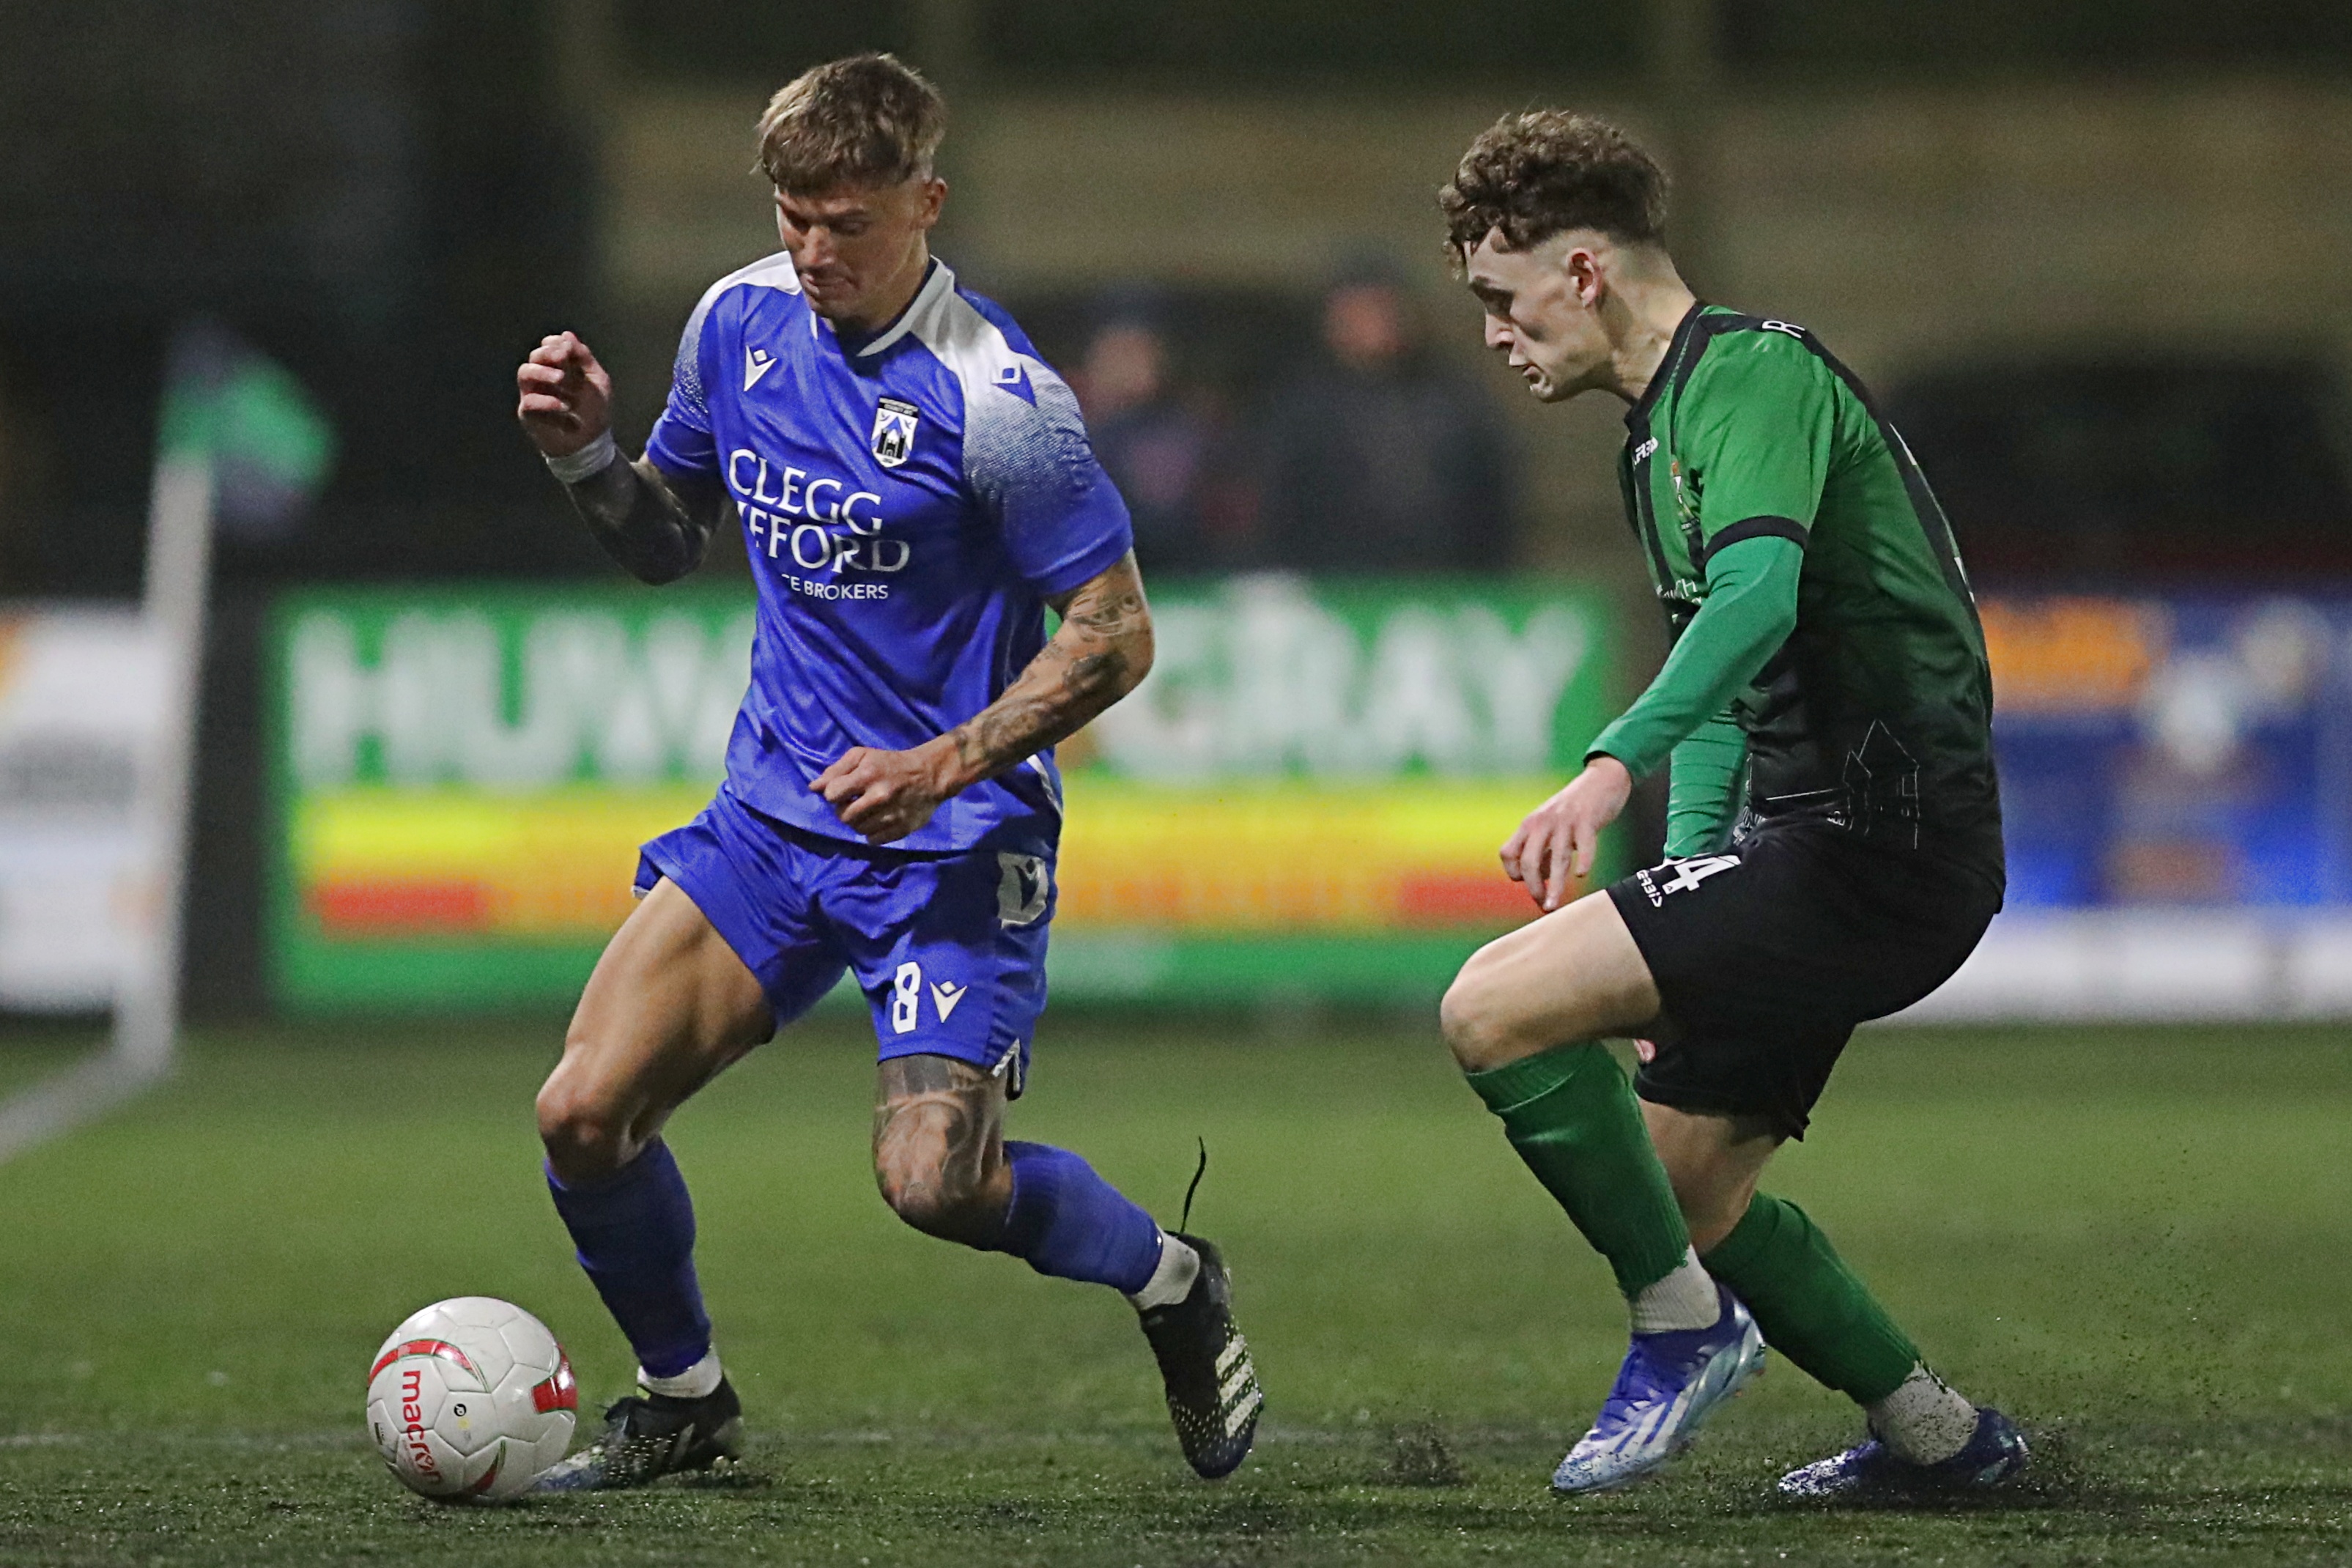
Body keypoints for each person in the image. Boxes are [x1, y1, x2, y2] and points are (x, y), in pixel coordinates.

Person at [511, 53, 1261, 1491]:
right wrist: (588, 455)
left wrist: (942, 759)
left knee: (934, 1182)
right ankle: (685, 1399)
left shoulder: (1002, 395)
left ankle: (1172, 1276)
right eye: (793, 215)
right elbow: (671, 538)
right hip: (773, 821)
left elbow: (1117, 633)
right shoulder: (737, 320)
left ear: (927, 202)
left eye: (847, 222)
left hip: (957, 838)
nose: (813, 251)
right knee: (581, 1113)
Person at [1432, 111, 2028, 1500]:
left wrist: (1607, 765)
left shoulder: (1755, 378)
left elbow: (1754, 607)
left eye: (1499, 300)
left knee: (1489, 1008)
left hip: (1885, 843)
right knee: (1682, 1189)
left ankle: (1679, 1333)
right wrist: (1688, 895)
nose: (1493, 336)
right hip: (1824, 847)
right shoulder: (1656, 443)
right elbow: (1732, 681)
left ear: (1582, 270)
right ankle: (1941, 1438)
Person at [1255, 255, 1516, 572]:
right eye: (1356, 312)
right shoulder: (1302, 410)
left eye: (1382, 310)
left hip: (1442, 582)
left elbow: (1488, 499)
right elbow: (1281, 505)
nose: (1372, 323)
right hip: (1337, 583)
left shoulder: (1452, 401)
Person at [1073, 295, 1232, 575]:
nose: (1130, 365)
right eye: (1120, 352)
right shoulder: (1063, 430)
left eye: (1141, 351)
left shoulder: (1189, 430)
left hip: (1186, 588)